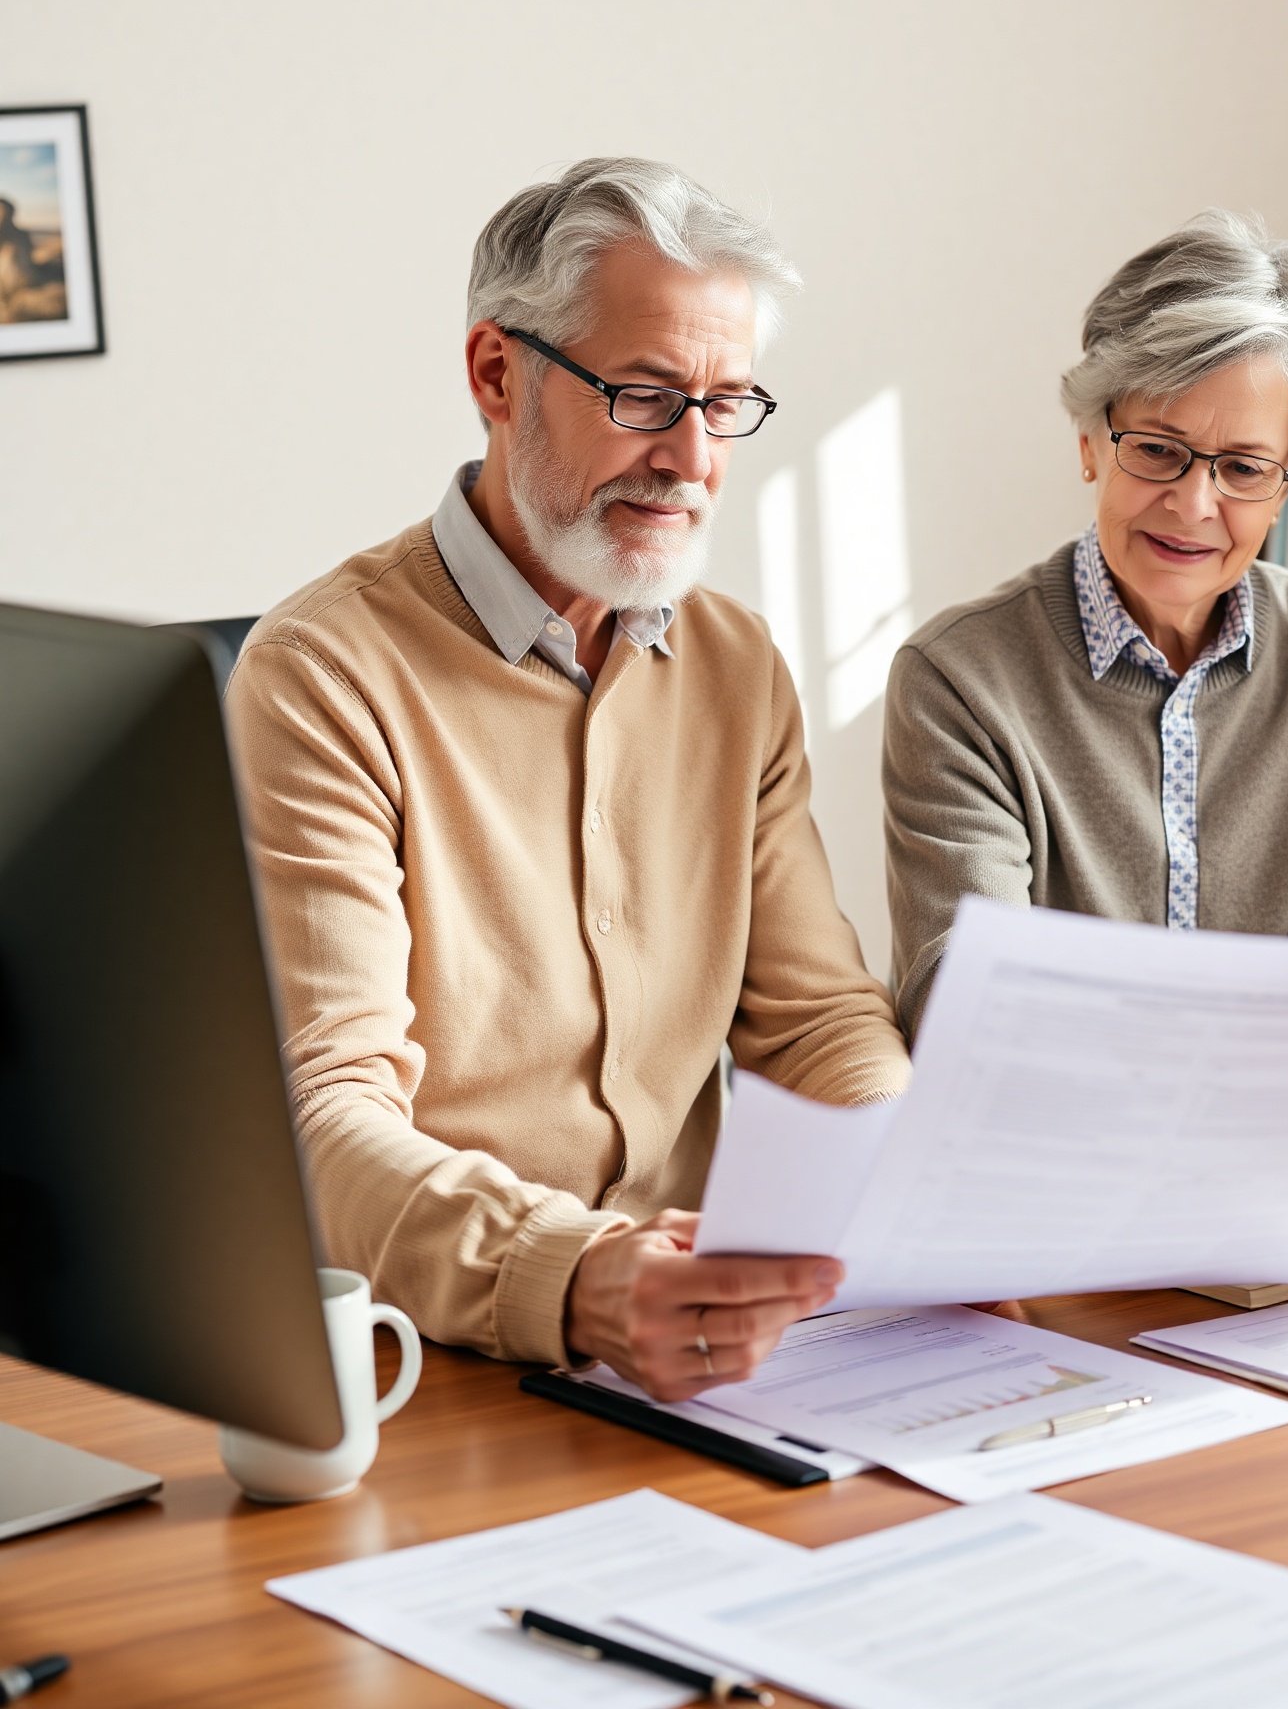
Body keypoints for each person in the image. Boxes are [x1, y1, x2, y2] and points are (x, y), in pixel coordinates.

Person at [225, 159, 910, 1400]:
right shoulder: (320, 672)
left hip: (711, 1346)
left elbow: (816, 1022)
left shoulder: (735, 664)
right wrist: (574, 1270)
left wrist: (922, 1183)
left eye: (727, 402)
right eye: (646, 397)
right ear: (497, 374)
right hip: (423, 1360)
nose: (693, 459)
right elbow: (324, 1117)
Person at [884, 210, 1288, 1273]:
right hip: (1047, 1230)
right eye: (1157, 449)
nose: (1192, 504)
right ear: (1089, 436)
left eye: (1243, 466)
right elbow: (970, 999)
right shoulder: (958, 678)